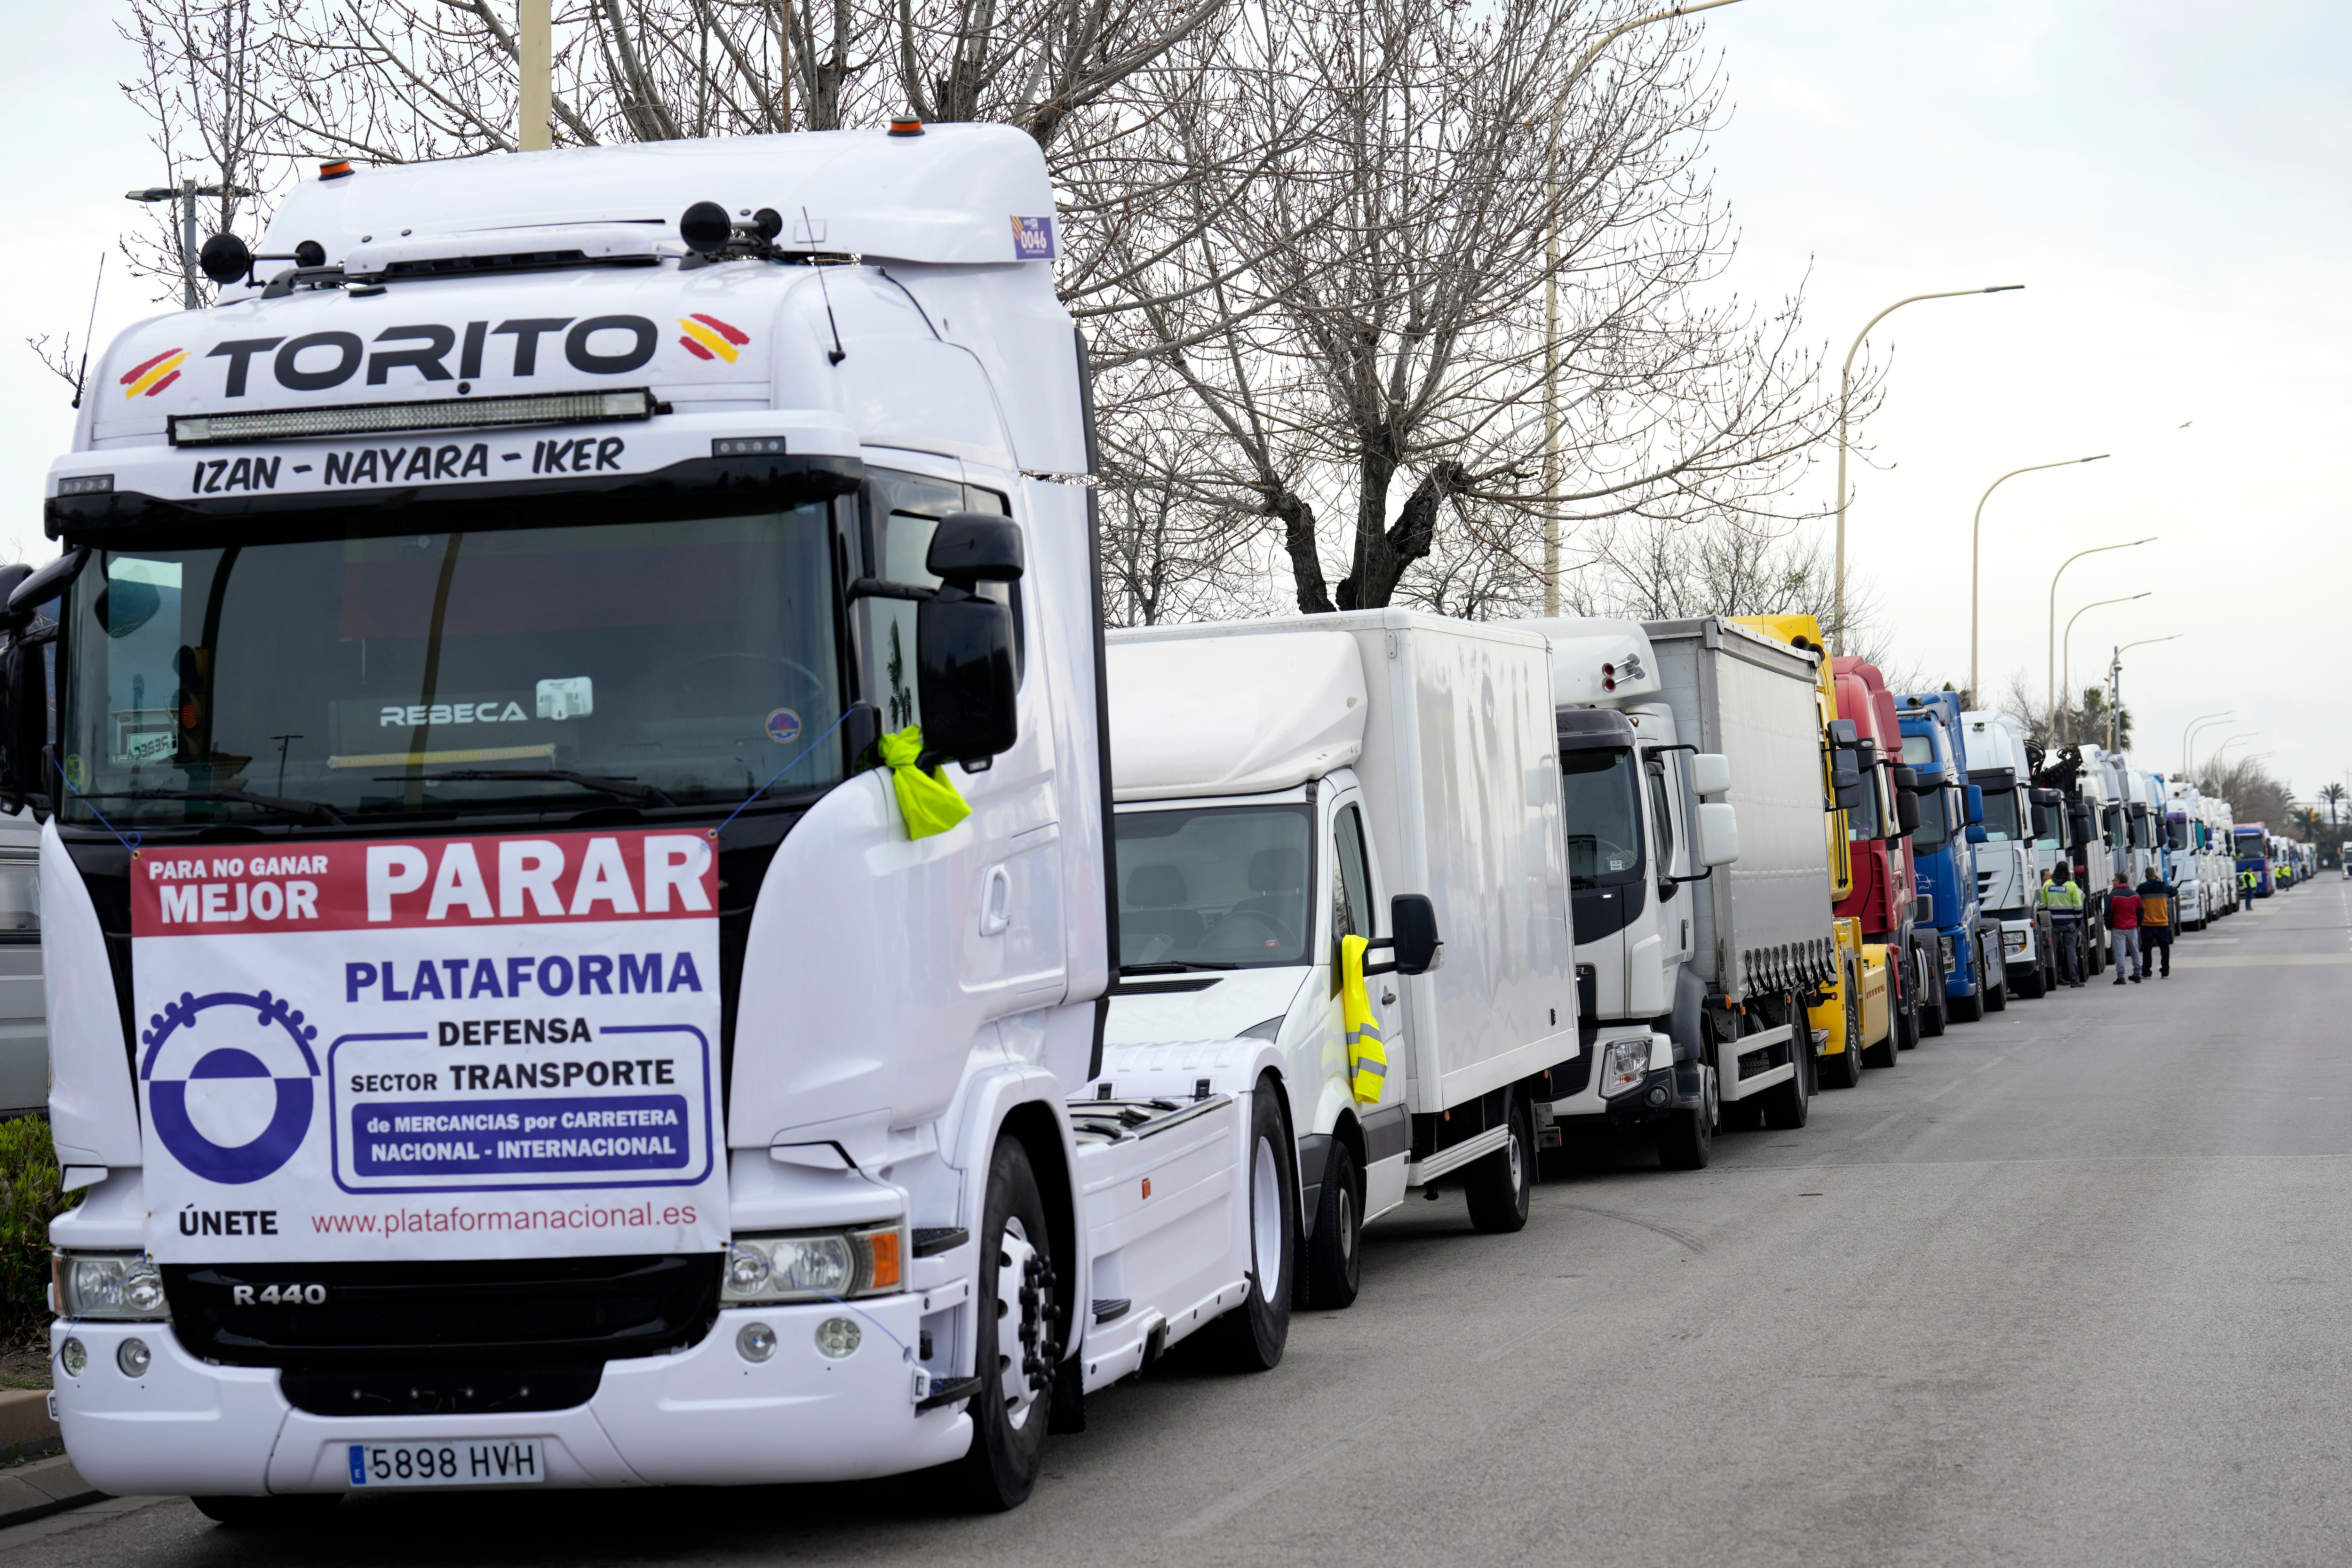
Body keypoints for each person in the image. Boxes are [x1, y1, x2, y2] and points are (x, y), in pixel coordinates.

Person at [2040, 863, 2086, 987]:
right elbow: (2078, 906)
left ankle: (2055, 977)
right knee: (2071, 952)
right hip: (2070, 923)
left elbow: (2043, 905)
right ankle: (2074, 979)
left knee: (2053, 952)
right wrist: (2078, 922)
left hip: (2053, 924)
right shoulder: (2072, 886)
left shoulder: (2047, 885)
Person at [2137, 868, 2176, 978]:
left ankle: (2147, 972)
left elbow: (2137, 897)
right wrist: (2161, 881)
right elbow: (2174, 892)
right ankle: (2165, 972)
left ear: (2146, 876)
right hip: (2162, 923)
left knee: (2147, 949)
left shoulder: (2142, 888)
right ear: (2155, 876)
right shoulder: (2163, 887)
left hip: (2147, 923)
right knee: (2165, 949)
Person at [2106, 873, 2142, 986]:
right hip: (2132, 927)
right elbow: (2141, 912)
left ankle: (2121, 977)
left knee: (2120, 953)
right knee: (2135, 952)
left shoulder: (2113, 896)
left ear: (2119, 881)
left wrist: (2109, 927)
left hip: (2118, 928)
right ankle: (2138, 974)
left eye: (2114, 880)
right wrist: (2137, 924)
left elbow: (2108, 914)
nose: (2113, 882)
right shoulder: (2135, 895)